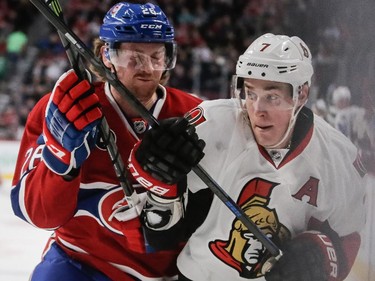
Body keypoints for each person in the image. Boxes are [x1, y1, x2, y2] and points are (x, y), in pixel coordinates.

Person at [128, 33, 368, 280]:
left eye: (272, 97)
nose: (257, 110)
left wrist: (321, 255)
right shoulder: (212, 124)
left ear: (302, 94)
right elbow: (157, 232)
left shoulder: (339, 158)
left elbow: (348, 236)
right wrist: (156, 175)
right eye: (251, 94)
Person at [10, 2, 202, 280]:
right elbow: (38, 214)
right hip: (81, 263)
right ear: (107, 55)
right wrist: (60, 158)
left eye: (157, 56)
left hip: (170, 272)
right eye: (134, 56)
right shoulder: (67, 107)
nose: (147, 68)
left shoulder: (196, 115)